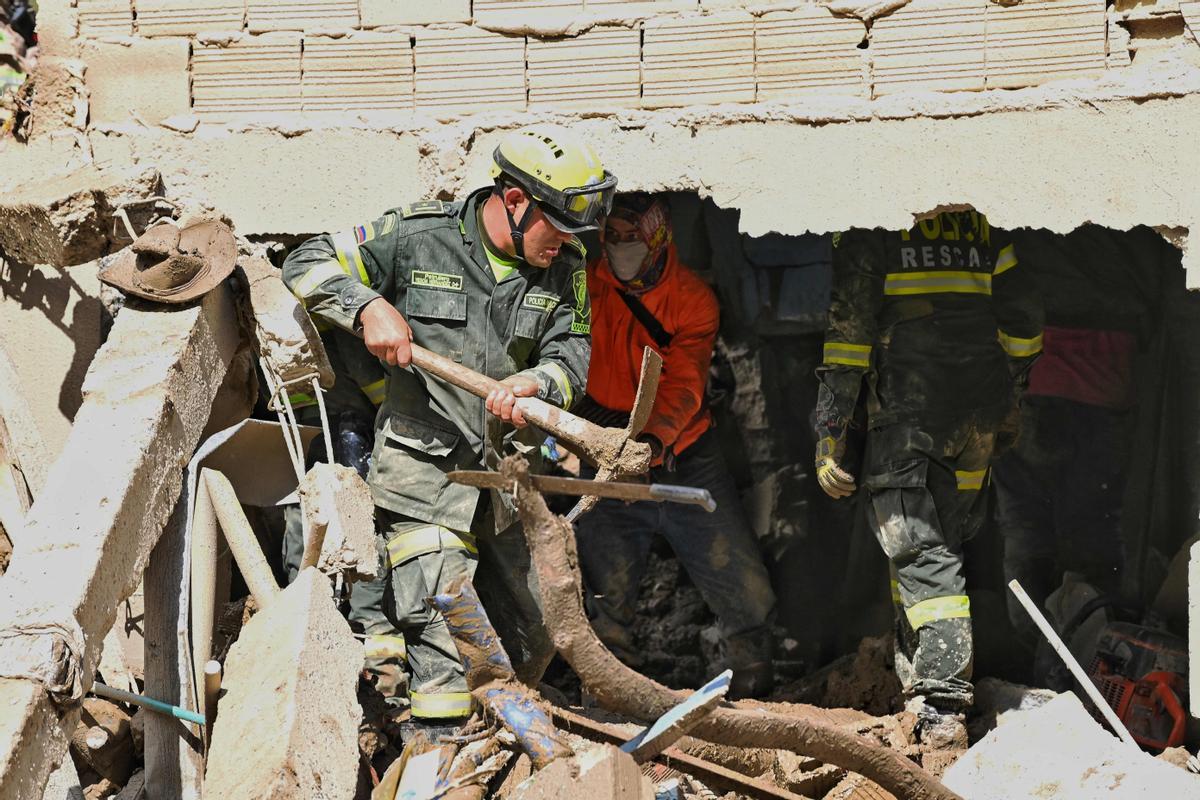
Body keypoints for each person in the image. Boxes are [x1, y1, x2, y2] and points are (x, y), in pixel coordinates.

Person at [283, 127, 614, 733]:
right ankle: (432, 753)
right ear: (515, 201)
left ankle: (496, 743)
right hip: (423, 476)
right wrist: (365, 306)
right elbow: (303, 261)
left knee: (537, 634)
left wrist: (538, 384)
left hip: (504, 486)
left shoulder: (567, 266)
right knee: (445, 638)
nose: (567, 243)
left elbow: (573, 356)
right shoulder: (417, 237)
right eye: (560, 227)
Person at [812, 211, 1042, 746]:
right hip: (977, 413)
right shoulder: (981, 223)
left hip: (911, 414)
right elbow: (1026, 324)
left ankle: (941, 706)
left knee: (921, 551)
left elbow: (848, 340)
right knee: (940, 549)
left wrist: (831, 435)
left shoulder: (876, 219)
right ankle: (916, 686)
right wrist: (1009, 400)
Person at [573, 193, 777, 699]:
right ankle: (609, 696)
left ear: (658, 238)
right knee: (605, 588)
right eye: (613, 239)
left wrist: (654, 441)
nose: (621, 249)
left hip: (685, 450)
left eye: (632, 239)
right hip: (604, 446)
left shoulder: (691, 299)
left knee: (743, 586)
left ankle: (755, 687)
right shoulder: (583, 287)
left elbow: (684, 383)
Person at [992, 225, 1165, 649]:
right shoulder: (1130, 182)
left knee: (1025, 520)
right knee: (1096, 524)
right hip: (1108, 375)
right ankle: (1095, 650)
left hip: (1033, 371)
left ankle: (1034, 651)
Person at [279, 326, 408, 702]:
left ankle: (379, 681)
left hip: (324, 431)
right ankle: (379, 680)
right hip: (346, 434)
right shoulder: (347, 323)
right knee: (356, 546)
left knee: (328, 549)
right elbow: (386, 391)